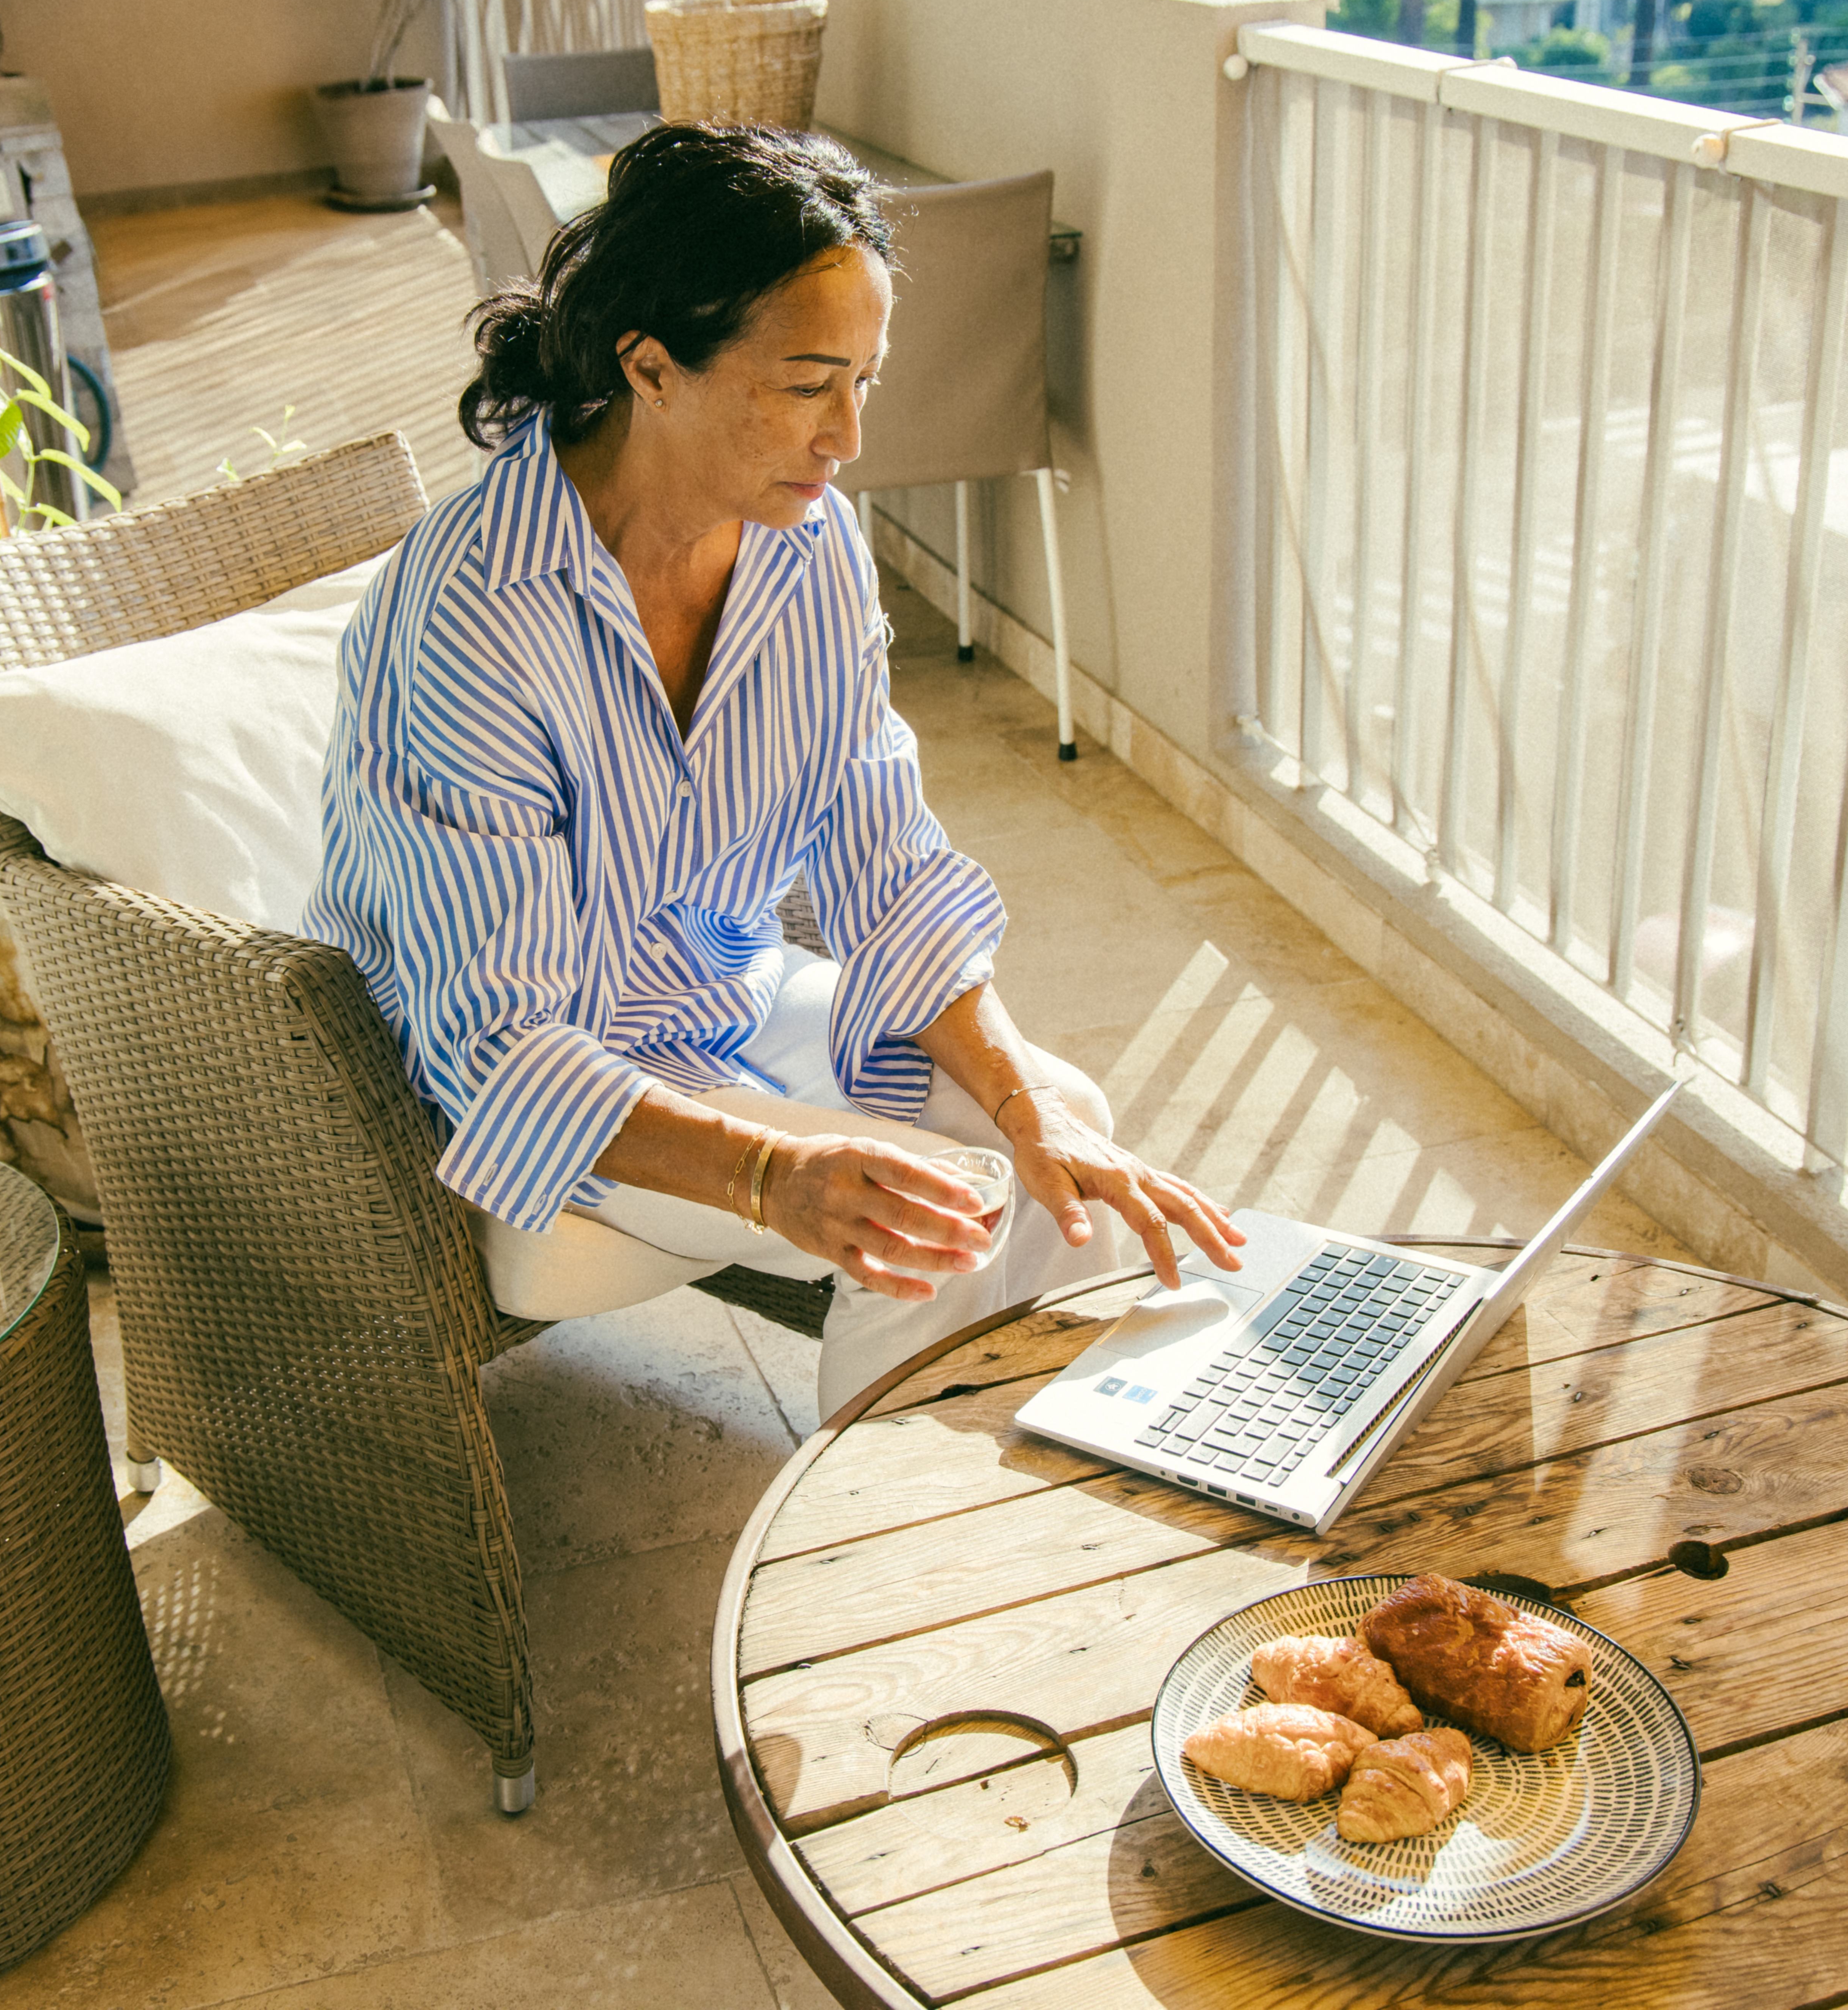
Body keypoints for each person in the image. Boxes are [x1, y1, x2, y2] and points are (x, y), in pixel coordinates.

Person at [305, 122, 1239, 1417]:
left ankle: (960, 1487)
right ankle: (868, 1556)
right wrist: (769, 1177)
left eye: (868, 379)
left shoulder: (812, 556)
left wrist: (1027, 1108)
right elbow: (496, 1045)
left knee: (1056, 1129)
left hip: (716, 993)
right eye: (808, 385)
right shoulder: (474, 613)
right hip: (525, 1074)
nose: (850, 436)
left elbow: (891, 872)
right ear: (651, 368)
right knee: (928, 1210)